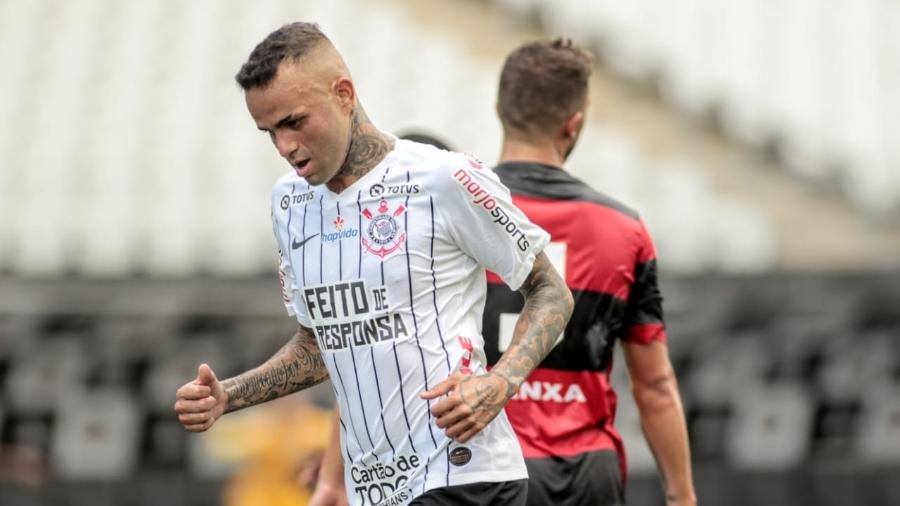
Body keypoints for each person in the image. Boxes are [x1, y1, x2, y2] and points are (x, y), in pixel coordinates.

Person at [173, 22, 573, 506]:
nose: (284, 147)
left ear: (344, 94)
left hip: (465, 477)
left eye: (295, 122)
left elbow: (552, 291)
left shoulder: (444, 178)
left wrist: (500, 381)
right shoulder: (288, 204)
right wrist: (228, 396)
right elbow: (321, 345)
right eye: (269, 131)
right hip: (374, 492)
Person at [481, 39, 697, 506]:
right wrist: (681, 497)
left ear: (499, 108)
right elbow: (655, 385)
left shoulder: (456, 215)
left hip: (483, 469)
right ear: (573, 123)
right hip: (587, 477)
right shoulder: (625, 229)